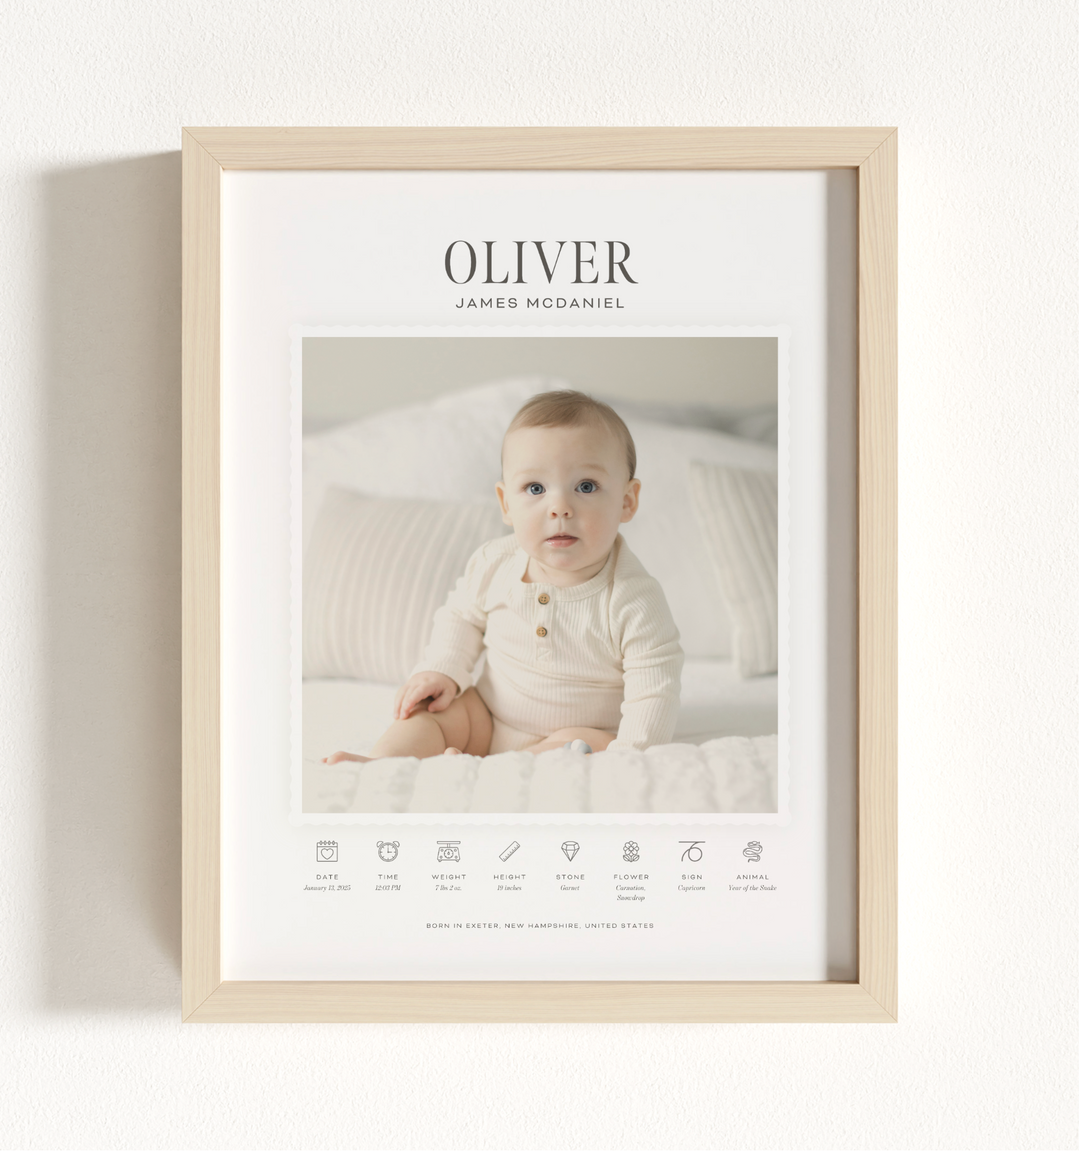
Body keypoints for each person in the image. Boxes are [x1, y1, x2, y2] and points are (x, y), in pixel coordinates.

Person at [322, 390, 683, 763]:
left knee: (586, 745)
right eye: (535, 488)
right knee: (431, 712)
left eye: (586, 486)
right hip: (488, 718)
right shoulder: (495, 562)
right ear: (506, 503)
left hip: (577, 731)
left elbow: (654, 692)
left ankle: (498, 770)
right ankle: (384, 765)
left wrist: (632, 754)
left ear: (627, 501)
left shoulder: (634, 599)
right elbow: (462, 617)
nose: (559, 507)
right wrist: (443, 669)